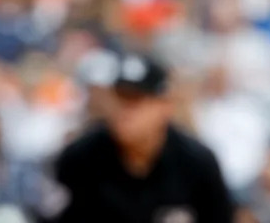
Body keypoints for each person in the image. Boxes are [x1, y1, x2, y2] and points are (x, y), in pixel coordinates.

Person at [47, 53, 235, 223]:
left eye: (134, 101)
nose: (123, 111)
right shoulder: (80, 157)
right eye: (118, 98)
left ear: (164, 106)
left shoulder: (196, 163)